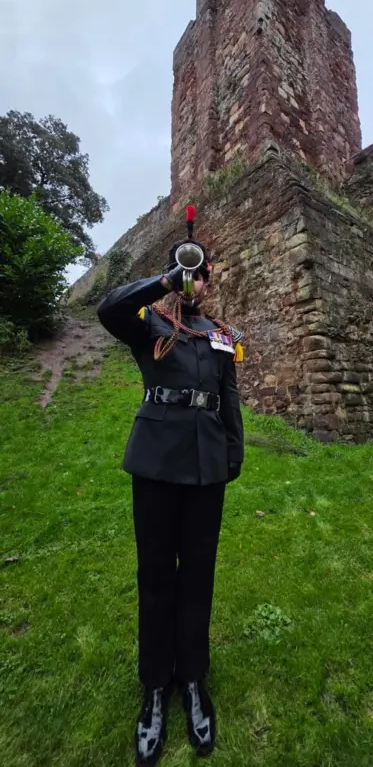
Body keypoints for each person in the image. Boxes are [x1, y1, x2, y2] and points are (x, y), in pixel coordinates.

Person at [96, 205, 244, 765]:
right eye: (186, 269)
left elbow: (228, 397)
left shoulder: (223, 336)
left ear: (208, 283)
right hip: (157, 465)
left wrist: (234, 453)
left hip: (207, 467)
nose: (193, 277)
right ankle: (155, 689)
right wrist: (162, 280)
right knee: (157, 576)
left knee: (198, 577)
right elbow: (108, 308)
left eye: (200, 271)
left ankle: (193, 682)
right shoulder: (149, 325)